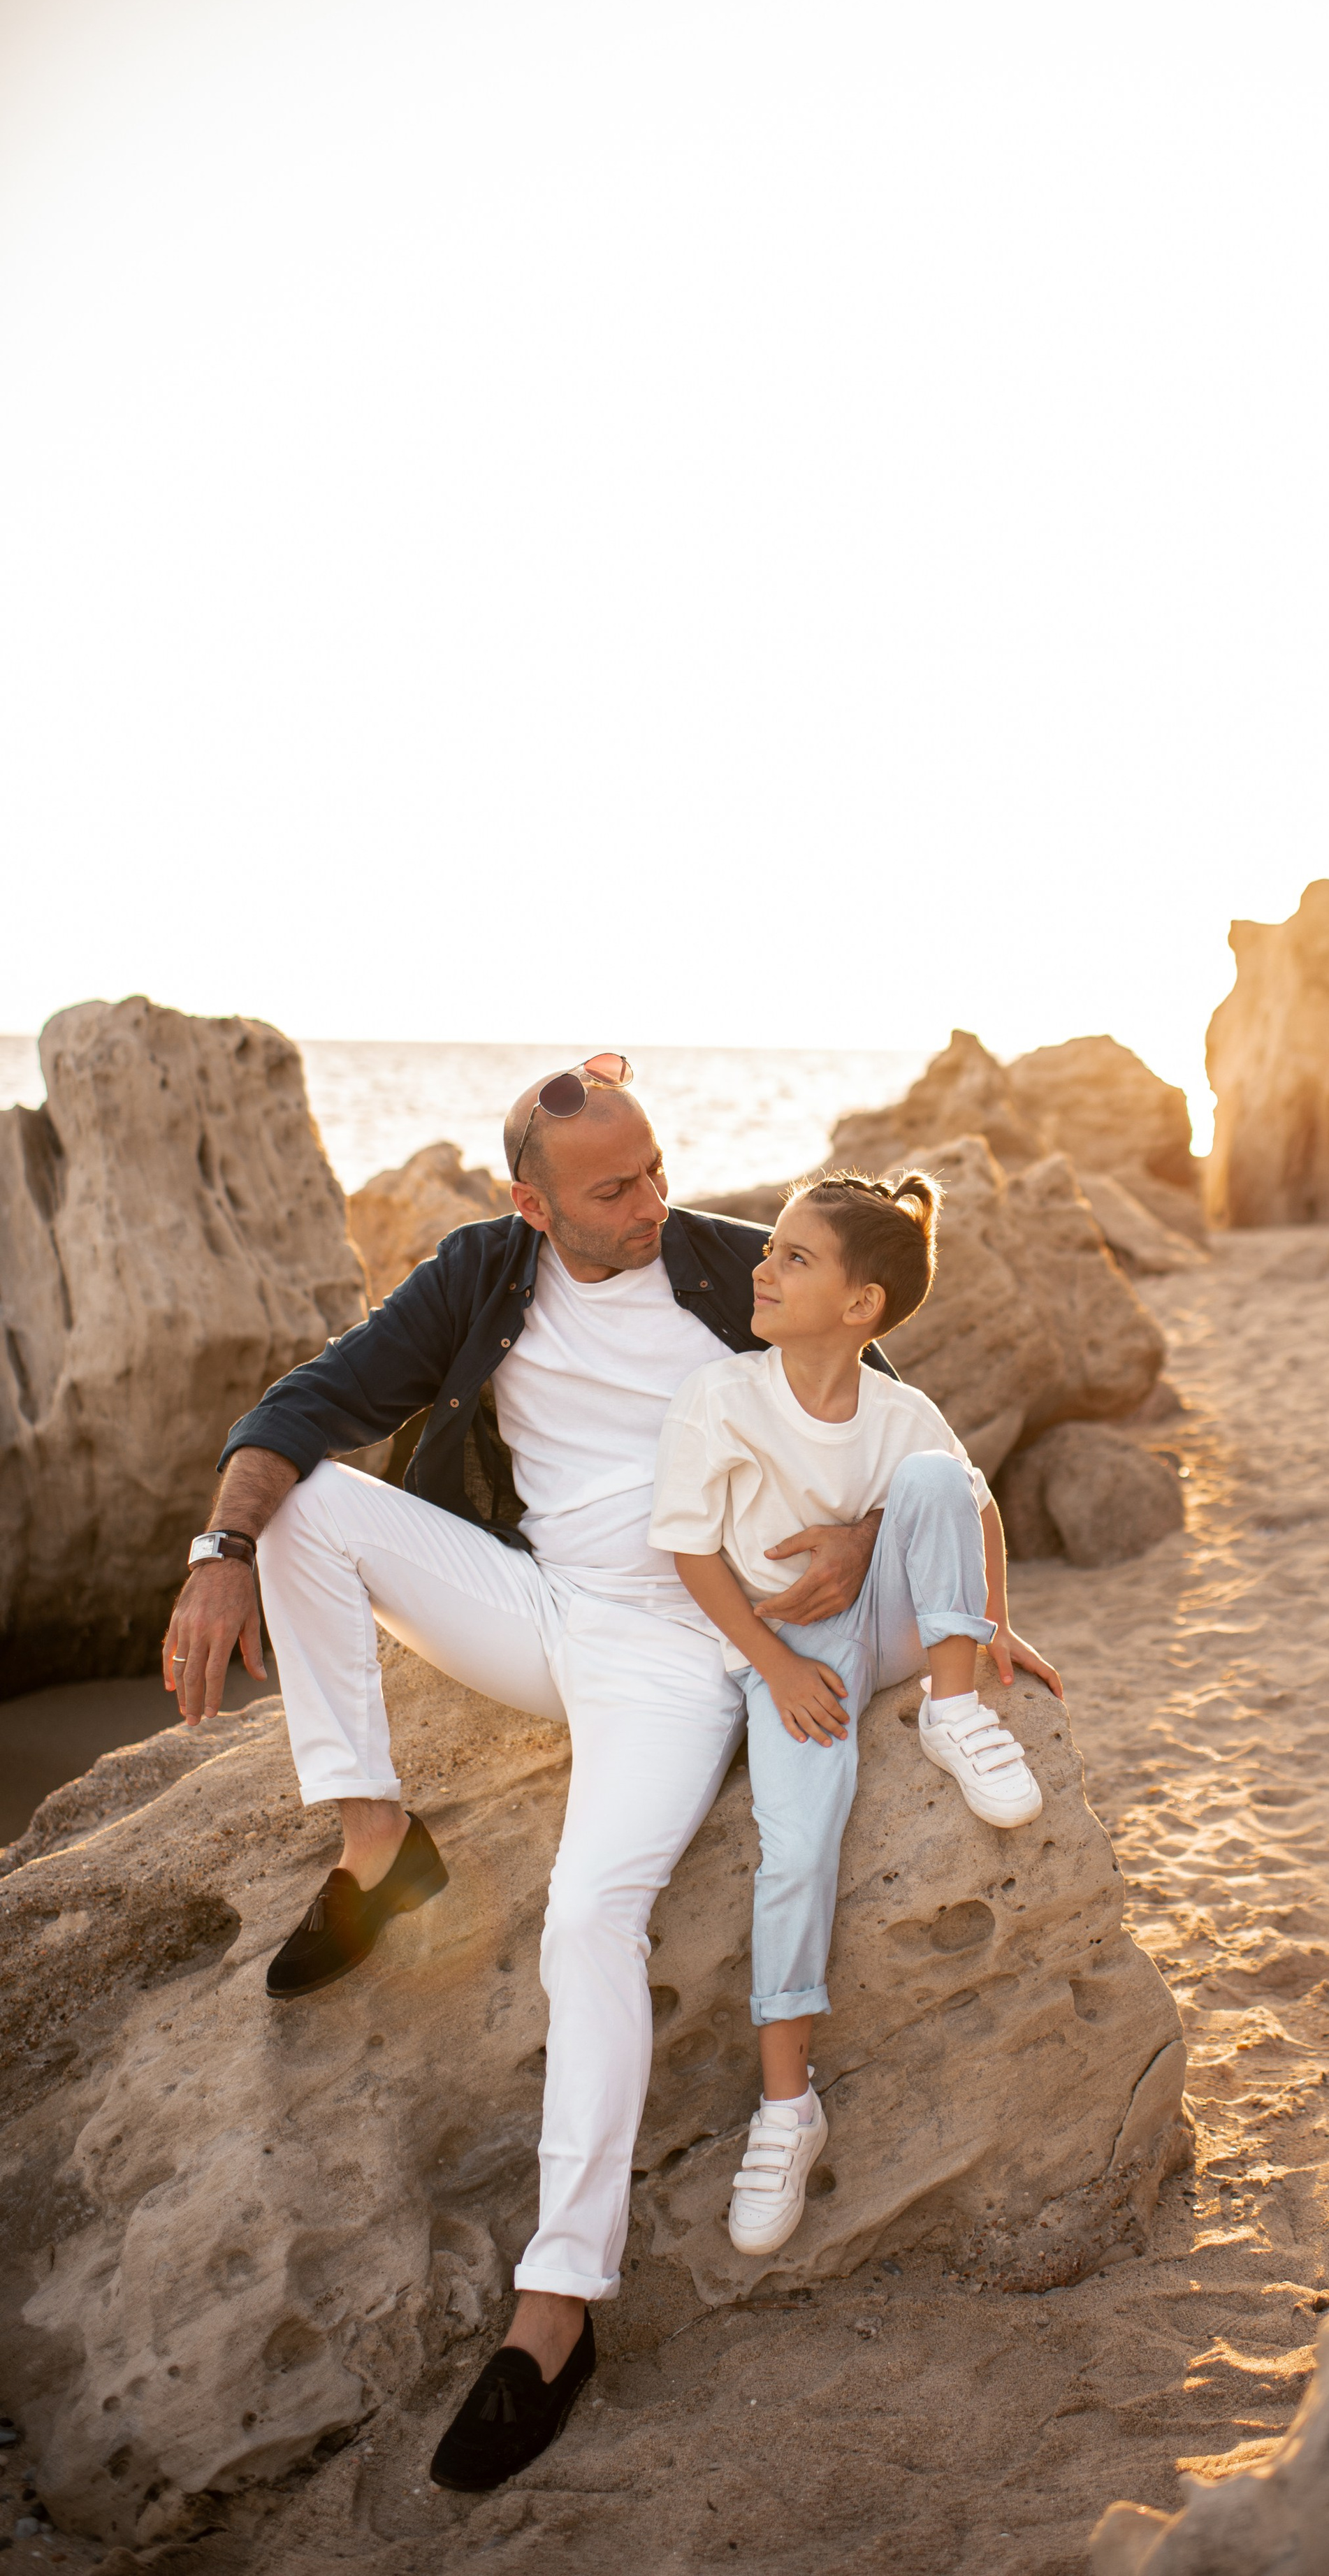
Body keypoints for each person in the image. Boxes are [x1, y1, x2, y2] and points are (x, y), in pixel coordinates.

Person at [160, 1055, 898, 2494]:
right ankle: (378, 1841)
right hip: (546, 1608)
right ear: (532, 1204)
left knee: (586, 1918)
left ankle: (556, 2310)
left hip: (686, 1653)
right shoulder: (482, 1275)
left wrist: (866, 1541)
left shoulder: (736, 1269)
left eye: (656, 1168)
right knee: (307, 1507)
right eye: (613, 1188)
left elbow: (905, 1436)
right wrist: (219, 1551)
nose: (652, 1201)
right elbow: (302, 1406)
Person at [649, 1169, 1061, 2256]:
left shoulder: (902, 1414)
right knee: (796, 1851)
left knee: (932, 1479)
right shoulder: (722, 1398)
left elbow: (974, 1508)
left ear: (860, 1304)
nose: (762, 1268)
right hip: (791, 1652)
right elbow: (691, 1552)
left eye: (793, 1257)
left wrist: (992, 1624)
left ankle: (953, 1713)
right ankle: (789, 2108)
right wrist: (774, 1671)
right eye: (770, 1250)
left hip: (890, 1625)